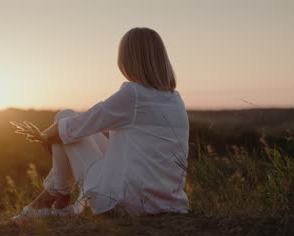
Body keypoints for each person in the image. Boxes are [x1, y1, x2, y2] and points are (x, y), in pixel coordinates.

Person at [11, 27, 189, 220]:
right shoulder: (175, 100)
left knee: (65, 117)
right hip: (168, 204)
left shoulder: (133, 95)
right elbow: (99, 126)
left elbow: (80, 124)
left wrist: (47, 136)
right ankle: (56, 201)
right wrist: (60, 135)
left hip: (123, 203)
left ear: (127, 60)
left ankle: (52, 200)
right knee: (69, 126)